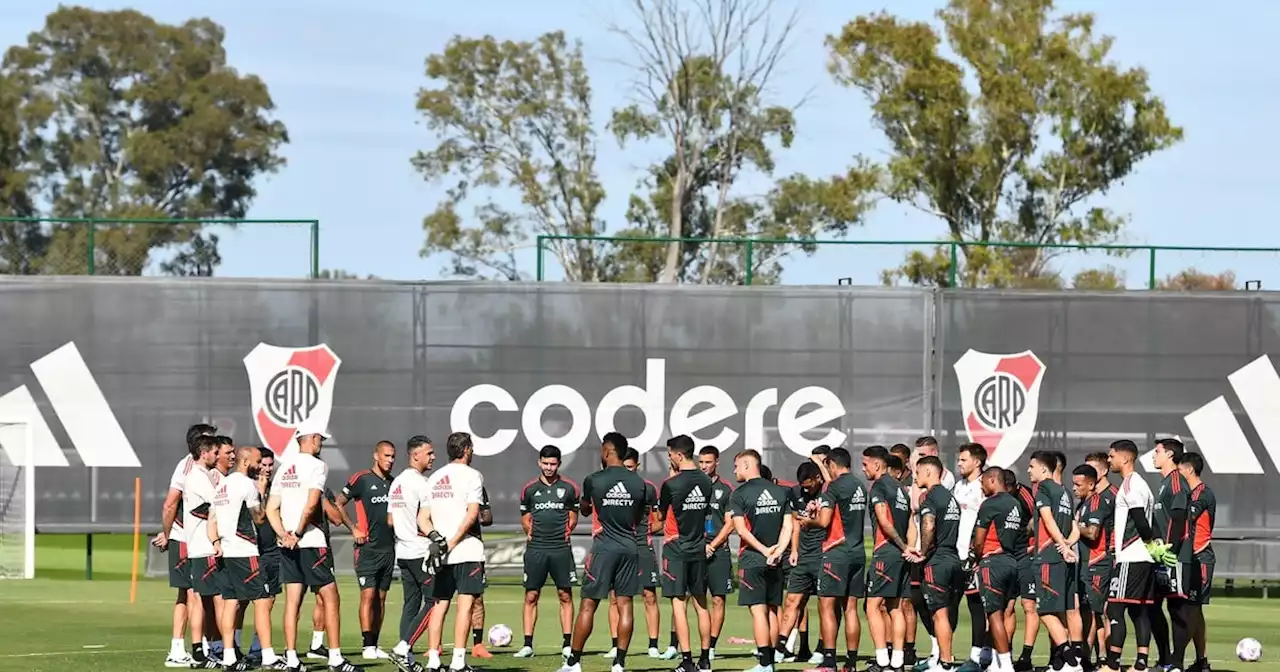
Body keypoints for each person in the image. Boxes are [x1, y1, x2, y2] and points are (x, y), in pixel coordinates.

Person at [266, 422, 356, 672]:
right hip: (311, 542)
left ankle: (292, 658)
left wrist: (283, 534)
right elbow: (311, 504)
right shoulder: (317, 466)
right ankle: (335, 658)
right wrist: (295, 533)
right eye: (320, 440)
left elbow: (271, 509)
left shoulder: (284, 469)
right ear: (312, 438)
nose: (321, 444)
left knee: (292, 602)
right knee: (330, 598)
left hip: (288, 545)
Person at [557, 432, 648, 672]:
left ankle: (574, 662)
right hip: (630, 547)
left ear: (607, 451)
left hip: (604, 547)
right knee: (625, 604)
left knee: (589, 604)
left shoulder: (594, 480)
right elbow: (638, 517)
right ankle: (619, 664)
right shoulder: (639, 483)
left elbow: (585, 509)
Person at [420, 432, 487, 672]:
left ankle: (433, 661)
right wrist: (452, 541)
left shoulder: (434, 477)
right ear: (467, 449)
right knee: (465, 605)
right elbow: (472, 515)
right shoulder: (473, 476)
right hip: (466, 550)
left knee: (439, 604)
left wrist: (437, 539)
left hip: (441, 553)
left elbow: (422, 519)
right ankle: (458, 662)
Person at [208, 446, 278, 670]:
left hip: (226, 551)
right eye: (258, 461)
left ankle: (229, 656)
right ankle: (267, 655)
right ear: (246, 462)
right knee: (262, 599)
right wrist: (263, 493)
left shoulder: (222, 485)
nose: (260, 466)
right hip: (245, 550)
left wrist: (216, 543)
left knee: (230, 601)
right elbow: (258, 518)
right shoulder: (247, 484)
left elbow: (212, 520)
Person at [155, 423, 217, 667]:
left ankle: (199, 646)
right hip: (186, 537)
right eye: (211, 441)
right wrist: (168, 533)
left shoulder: (208, 467)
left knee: (198, 593)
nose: (216, 445)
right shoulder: (188, 466)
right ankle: (180, 648)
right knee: (190, 592)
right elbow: (171, 503)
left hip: (197, 536)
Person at [728, 449, 793, 672]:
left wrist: (765, 551)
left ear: (747, 465)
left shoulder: (739, 493)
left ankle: (765, 663)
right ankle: (771, 661)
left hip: (753, 560)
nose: (734, 470)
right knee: (773, 610)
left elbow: (741, 530)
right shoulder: (780, 492)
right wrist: (779, 551)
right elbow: (788, 526)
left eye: (736, 465)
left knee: (758, 611)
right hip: (775, 560)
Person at [333, 441, 398, 660]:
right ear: (376, 456)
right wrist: (353, 528)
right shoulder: (361, 479)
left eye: (393, 457)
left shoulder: (394, 483)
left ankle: (375, 644)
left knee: (380, 598)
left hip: (388, 549)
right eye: (386, 456)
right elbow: (338, 503)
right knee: (368, 595)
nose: (390, 460)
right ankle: (367, 645)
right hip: (367, 548)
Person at [515, 445, 580, 659]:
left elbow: (573, 517)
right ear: (539, 462)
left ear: (559, 464)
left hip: (560, 549)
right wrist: (531, 532)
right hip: (536, 549)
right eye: (545, 463)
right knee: (531, 595)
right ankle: (527, 644)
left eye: (553, 464)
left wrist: (565, 532)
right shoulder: (529, 489)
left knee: (565, 595)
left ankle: (567, 643)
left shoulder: (569, 488)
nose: (549, 467)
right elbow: (525, 517)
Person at [658, 435, 716, 672]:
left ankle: (687, 661)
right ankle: (705, 660)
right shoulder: (706, 481)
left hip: (676, 548)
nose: (669, 458)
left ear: (679, 455)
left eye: (670, 454)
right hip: (698, 548)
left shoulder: (671, 484)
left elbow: (660, 517)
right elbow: (706, 517)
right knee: (702, 604)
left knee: (678, 604)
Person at [388, 435, 445, 672]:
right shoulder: (423, 483)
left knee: (411, 603)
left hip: (402, 550)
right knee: (436, 601)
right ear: (415, 455)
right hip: (420, 552)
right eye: (429, 453)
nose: (433, 457)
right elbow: (427, 519)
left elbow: (390, 520)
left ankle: (407, 660)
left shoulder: (397, 482)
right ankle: (402, 648)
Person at [810, 447, 867, 672]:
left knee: (826, 606)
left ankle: (830, 661)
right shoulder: (860, 485)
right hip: (858, 552)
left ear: (832, 464)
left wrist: (808, 521)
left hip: (836, 553)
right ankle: (851, 663)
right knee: (851, 608)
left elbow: (824, 522)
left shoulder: (834, 487)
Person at [1102, 440, 1157, 672]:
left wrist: (1151, 544)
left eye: (1111, 455)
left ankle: (1112, 665)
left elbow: (1140, 519)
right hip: (1144, 558)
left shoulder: (1130, 485)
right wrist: (1154, 549)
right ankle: (1141, 663)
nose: (1109, 459)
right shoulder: (1142, 484)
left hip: (1131, 556)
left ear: (1125, 458)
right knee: (1139, 609)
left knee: (1114, 608)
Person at [865, 445, 920, 672]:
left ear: (878, 465)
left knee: (872, 606)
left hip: (886, 552)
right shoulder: (900, 489)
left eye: (865, 464)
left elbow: (884, 521)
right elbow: (910, 523)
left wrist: (900, 545)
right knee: (895, 607)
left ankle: (881, 660)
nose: (864, 468)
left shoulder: (879, 486)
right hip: (900, 555)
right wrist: (909, 548)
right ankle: (897, 662)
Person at [604, 447, 662, 660]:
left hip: (642, 546)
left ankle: (653, 645)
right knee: (614, 597)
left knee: (649, 595)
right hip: (618, 546)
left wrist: (646, 530)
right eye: (624, 466)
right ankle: (615, 644)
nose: (627, 471)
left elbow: (659, 520)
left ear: (638, 466)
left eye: (631, 467)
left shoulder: (648, 489)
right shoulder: (610, 487)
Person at [1028, 451, 1081, 672]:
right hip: (1064, 560)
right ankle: (1066, 662)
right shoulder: (1065, 492)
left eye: (1031, 466)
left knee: (1045, 610)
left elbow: (1048, 520)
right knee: (1065, 609)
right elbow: (1074, 527)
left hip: (1048, 558)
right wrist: (1068, 545)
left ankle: (1071, 661)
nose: (1029, 470)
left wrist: (1060, 544)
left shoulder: (1044, 488)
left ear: (1043, 469)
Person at [184, 435, 230, 669]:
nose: (217, 456)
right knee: (218, 599)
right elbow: (217, 505)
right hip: (206, 546)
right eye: (214, 452)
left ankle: (201, 650)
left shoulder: (199, 476)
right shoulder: (199, 477)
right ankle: (220, 650)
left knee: (202, 599)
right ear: (204, 453)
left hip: (201, 546)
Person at [914, 456, 963, 671]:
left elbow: (928, 525)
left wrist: (923, 552)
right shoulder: (950, 498)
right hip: (953, 557)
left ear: (928, 472)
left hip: (939, 560)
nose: (915, 476)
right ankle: (945, 658)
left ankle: (945, 663)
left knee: (939, 613)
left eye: (917, 472)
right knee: (947, 612)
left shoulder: (930, 497)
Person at [972, 468, 1022, 672]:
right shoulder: (1015, 503)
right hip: (1011, 562)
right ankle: (996, 660)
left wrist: (975, 558)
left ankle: (1006, 665)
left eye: (983, 482)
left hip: (993, 562)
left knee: (994, 615)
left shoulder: (989, 504)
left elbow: (979, 540)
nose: (982, 487)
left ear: (993, 480)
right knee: (1006, 612)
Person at [776, 461, 826, 665]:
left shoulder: (829, 492)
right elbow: (796, 523)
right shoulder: (795, 493)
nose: (806, 489)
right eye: (803, 486)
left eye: (809, 485)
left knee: (826, 605)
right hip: (803, 556)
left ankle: (823, 648)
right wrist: (794, 550)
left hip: (825, 555)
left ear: (818, 479)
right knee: (792, 600)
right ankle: (781, 647)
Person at [1151, 438, 1190, 671]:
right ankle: (1165, 659)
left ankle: (1176, 664)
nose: (1154, 456)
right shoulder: (1164, 483)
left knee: (1176, 609)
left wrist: (1170, 549)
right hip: (1159, 557)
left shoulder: (1176, 481)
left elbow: (1178, 517)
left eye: (1157, 452)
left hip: (1174, 557)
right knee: (1152, 607)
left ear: (1170, 455)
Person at [952, 443, 989, 672]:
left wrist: (976, 553)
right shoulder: (958, 486)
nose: (959, 463)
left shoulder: (983, 487)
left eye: (963, 459)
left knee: (977, 605)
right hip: (955, 555)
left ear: (977, 462)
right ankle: (941, 655)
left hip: (975, 557)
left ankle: (979, 656)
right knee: (948, 603)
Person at [697, 445, 736, 662]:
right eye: (701, 462)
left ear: (717, 462)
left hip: (718, 551)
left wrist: (712, 545)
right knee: (692, 598)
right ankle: (680, 645)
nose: (704, 466)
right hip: (694, 550)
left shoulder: (726, 489)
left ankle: (711, 646)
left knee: (718, 599)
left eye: (708, 462)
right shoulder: (691, 485)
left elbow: (730, 524)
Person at [1177, 453, 1214, 672]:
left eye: (1180, 470)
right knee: (1195, 610)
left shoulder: (1202, 493)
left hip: (1200, 556)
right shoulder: (1190, 492)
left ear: (1189, 470)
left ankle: (1176, 660)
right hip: (1191, 557)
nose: (1178, 475)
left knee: (1190, 609)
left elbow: (1188, 516)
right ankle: (1202, 661)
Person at [248, 447, 282, 664]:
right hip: (254, 551)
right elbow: (257, 518)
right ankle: (230, 646)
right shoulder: (249, 488)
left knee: (269, 600)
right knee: (249, 602)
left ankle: (257, 647)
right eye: (263, 465)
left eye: (270, 465)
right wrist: (260, 492)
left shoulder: (277, 487)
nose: (267, 469)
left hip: (274, 551)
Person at [1071, 464, 1106, 670]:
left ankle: (1086, 659)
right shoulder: (1082, 504)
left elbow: (1093, 533)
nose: (1074, 488)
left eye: (1078, 484)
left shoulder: (1096, 503)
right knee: (1083, 609)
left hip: (1096, 563)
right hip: (1083, 563)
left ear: (1091, 484)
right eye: (1073, 484)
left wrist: (1073, 525)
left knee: (1092, 611)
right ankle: (1082, 657)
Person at [1011, 475, 1039, 672]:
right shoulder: (993, 497)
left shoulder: (1025, 494)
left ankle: (1026, 656)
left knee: (1029, 605)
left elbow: (1037, 520)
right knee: (1006, 606)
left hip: (1026, 556)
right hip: (1006, 558)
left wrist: (1031, 546)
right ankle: (1004, 655)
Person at [467, 487, 495, 660]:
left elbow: (487, 519)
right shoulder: (442, 485)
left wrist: (481, 514)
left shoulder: (476, 486)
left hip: (472, 547)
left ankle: (477, 644)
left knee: (477, 597)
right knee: (441, 598)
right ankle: (436, 645)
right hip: (447, 545)